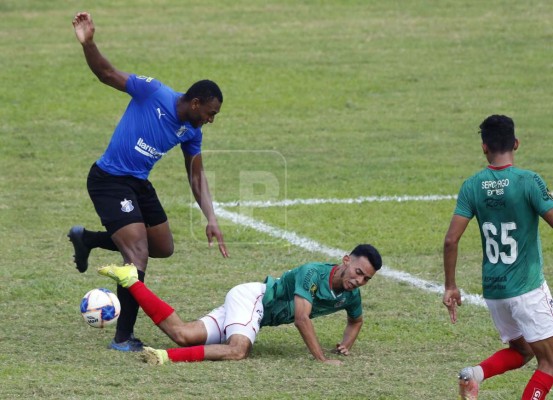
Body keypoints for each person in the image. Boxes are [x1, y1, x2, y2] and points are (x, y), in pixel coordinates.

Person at [69, 12, 229, 352]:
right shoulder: (152, 92)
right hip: (109, 180)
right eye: (209, 113)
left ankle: (88, 240)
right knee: (137, 252)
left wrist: (211, 218)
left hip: (138, 183)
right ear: (195, 101)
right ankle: (123, 337)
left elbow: (196, 173)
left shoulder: (192, 131)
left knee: (162, 247)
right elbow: (106, 73)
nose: (210, 120)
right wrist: (90, 43)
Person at [96, 244, 382, 364]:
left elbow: (356, 320)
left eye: (366, 279)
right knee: (237, 350)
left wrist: (347, 343)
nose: (359, 281)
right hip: (252, 299)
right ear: (346, 260)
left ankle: (131, 280)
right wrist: (322, 358)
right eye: (358, 272)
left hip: (249, 310)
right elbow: (301, 318)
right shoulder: (313, 273)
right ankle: (164, 357)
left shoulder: (351, 295)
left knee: (182, 333)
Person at [442, 115, 553, 400]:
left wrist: (451, 286)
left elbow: (450, 240)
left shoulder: (472, 185)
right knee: (550, 363)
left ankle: (473, 375)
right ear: (516, 143)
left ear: (484, 147)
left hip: (495, 292)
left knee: (523, 350)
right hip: (527, 290)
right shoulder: (529, 181)